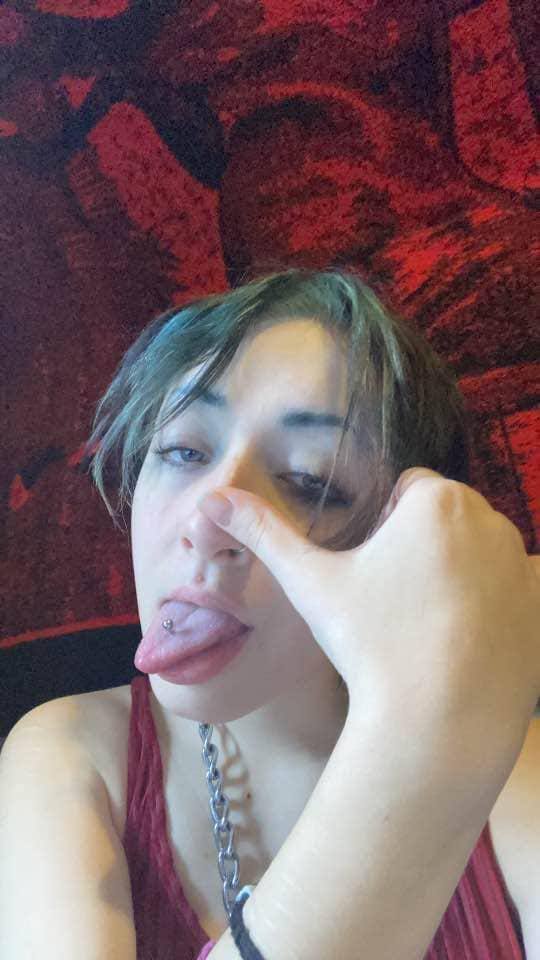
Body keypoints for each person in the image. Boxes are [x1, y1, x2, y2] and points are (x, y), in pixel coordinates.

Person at [1, 265, 538, 959]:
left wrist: (444, 718)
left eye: (310, 480)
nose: (207, 520)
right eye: (183, 450)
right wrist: (414, 741)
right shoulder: (68, 754)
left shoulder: (511, 766)